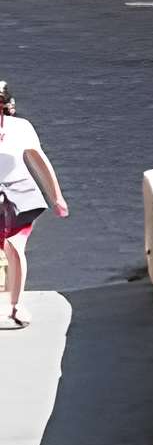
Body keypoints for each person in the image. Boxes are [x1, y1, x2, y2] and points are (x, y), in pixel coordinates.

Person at [0, 82, 68, 331]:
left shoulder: (21, 128)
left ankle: (16, 305)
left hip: (19, 197)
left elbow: (39, 160)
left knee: (14, 246)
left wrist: (56, 197)